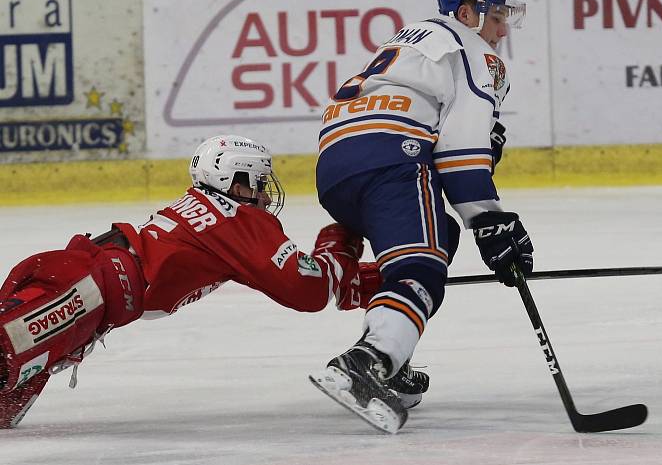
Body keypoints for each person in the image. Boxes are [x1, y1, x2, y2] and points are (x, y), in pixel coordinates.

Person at [0, 134, 422, 429]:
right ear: (235, 181)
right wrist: (340, 240)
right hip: (85, 292)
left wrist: (383, 281)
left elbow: (286, 280)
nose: (263, 196)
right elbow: (307, 289)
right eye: (258, 183)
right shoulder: (234, 218)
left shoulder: (209, 215)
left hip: (82, 291)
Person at [309, 0, 534, 433]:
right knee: (422, 269)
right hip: (393, 158)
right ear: (467, 12)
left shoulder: (411, 42)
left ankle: (392, 349)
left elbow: (436, 127)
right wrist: (491, 221)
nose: (503, 28)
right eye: (496, 16)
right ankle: (367, 361)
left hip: (336, 168)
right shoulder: (474, 51)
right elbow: (461, 149)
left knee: (438, 236)